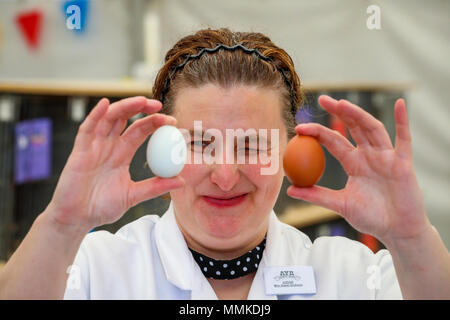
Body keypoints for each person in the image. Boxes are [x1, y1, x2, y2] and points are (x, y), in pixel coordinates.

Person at [0, 27, 449, 300]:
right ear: (162, 146)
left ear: (290, 151)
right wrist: (61, 224)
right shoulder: (96, 270)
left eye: (253, 146)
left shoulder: (350, 273)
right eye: (199, 143)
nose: (226, 174)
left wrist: (410, 238)